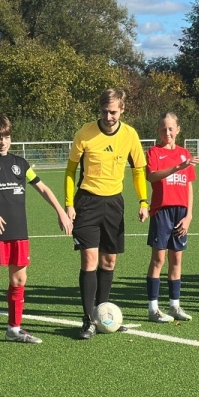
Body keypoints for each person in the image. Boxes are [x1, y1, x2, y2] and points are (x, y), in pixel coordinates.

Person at [0, 114, 71, 349]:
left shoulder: (21, 163)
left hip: (19, 230)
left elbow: (43, 188)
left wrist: (60, 212)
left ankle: (14, 329)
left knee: (19, 279)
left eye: (6, 137)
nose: (2, 142)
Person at [64, 88, 149, 340]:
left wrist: (143, 201)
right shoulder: (85, 133)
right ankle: (88, 320)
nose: (108, 117)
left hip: (114, 204)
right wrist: (69, 204)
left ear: (122, 109)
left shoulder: (130, 135)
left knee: (109, 262)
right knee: (89, 260)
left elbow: (138, 170)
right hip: (87, 202)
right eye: (104, 112)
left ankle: (102, 315)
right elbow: (70, 171)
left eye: (113, 112)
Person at [144, 112, 195, 323]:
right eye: (164, 129)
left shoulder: (185, 153)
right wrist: (176, 168)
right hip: (161, 211)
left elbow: (189, 186)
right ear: (158, 131)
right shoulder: (154, 152)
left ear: (178, 130)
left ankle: (174, 305)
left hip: (180, 213)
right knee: (159, 259)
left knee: (176, 260)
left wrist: (189, 215)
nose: (167, 133)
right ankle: (153, 308)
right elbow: (151, 176)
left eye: (171, 128)